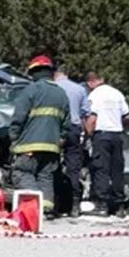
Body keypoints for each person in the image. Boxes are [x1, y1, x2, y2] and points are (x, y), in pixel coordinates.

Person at [9, 55, 70, 216]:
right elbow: (67, 124)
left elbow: (19, 118)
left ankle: (34, 208)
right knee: (45, 177)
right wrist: (59, 141)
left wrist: (13, 138)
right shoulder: (62, 94)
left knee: (23, 173)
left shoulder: (31, 90)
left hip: (29, 144)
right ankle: (46, 209)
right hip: (52, 147)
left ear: (34, 72)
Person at [84, 71, 129, 217]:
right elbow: (127, 116)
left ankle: (101, 204)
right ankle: (119, 206)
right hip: (117, 135)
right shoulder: (117, 93)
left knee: (101, 170)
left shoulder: (94, 95)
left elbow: (92, 118)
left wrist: (87, 135)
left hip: (101, 136)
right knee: (117, 171)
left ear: (90, 82)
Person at [53, 67, 88, 218]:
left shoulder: (53, 88)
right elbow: (85, 113)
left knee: (52, 166)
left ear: (55, 75)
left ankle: (56, 203)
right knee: (73, 168)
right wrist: (86, 136)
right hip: (74, 129)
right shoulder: (79, 89)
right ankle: (74, 204)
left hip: (55, 127)